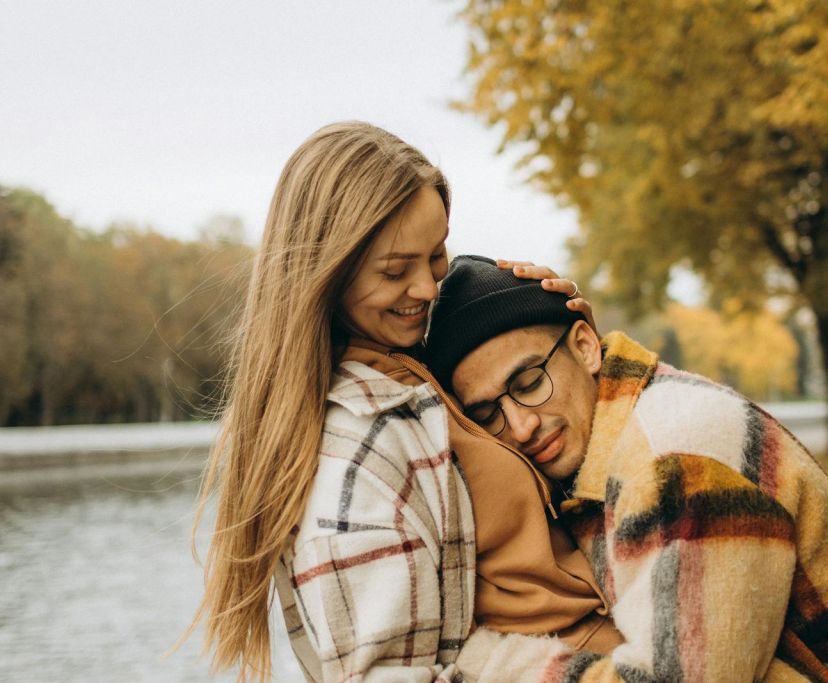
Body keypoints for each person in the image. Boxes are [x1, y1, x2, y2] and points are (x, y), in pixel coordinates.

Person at [185, 123, 621, 683]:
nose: (427, 287)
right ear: (329, 273)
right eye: (395, 271)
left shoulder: (416, 375)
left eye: (436, 254)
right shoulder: (357, 447)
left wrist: (568, 341)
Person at [425, 255, 828, 683]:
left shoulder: (676, 458)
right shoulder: (606, 444)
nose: (520, 427)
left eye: (528, 383)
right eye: (488, 415)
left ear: (586, 347)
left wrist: (481, 659)